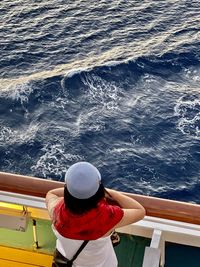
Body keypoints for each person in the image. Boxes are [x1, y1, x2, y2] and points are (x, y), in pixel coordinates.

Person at [45, 161, 145, 267]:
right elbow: (140, 211)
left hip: (66, 261)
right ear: (99, 190)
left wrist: (76, 189)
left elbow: (51, 193)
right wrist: (112, 193)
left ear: (67, 188)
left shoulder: (56, 209)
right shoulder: (107, 216)